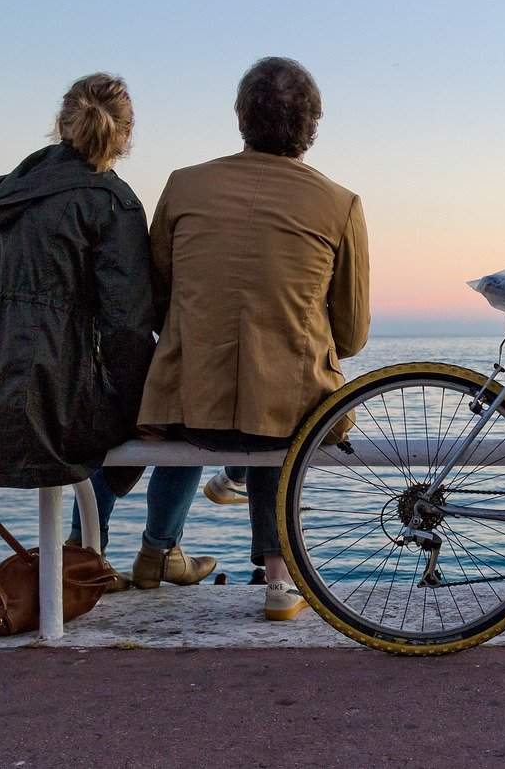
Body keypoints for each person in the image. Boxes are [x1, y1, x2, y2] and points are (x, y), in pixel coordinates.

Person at [131, 57, 370, 617]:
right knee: (282, 407)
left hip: (184, 407)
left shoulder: (184, 185)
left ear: (240, 116)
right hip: (283, 415)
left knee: (208, 396)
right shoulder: (340, 204)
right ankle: (279, 583)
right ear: (313, 124)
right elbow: (353, 333)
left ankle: (152, 553)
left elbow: (156, 295)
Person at [0, 73, 156, 589]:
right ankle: (104, 554)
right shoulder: (112, 203)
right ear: (126, 136)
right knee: (171, 416)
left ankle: (85, 552)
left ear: (60, 125)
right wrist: (145, 409)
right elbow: (127, 331)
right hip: (46, 409)